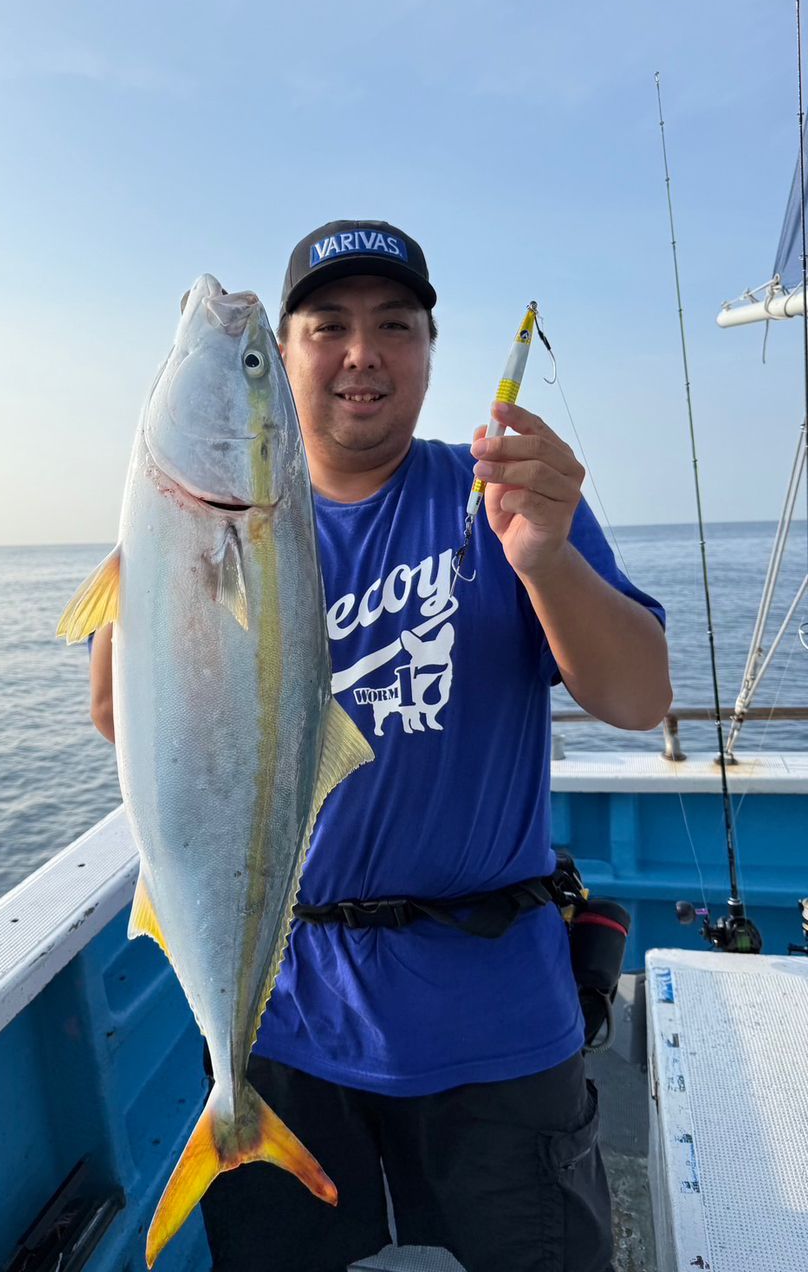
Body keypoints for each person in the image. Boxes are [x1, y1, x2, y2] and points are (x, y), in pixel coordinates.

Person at [90, 220, 672, 1272]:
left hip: (495, 1026)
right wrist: (149, 588)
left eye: (395, 324)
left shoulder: (504, 497)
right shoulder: (203, 528)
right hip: (287, 1021)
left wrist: (543, 556)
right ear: (298, 357)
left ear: (431, 350)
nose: (362, 351)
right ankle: (233, 1107)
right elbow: (130, 728)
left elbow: (641, 696)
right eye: (325, 328)